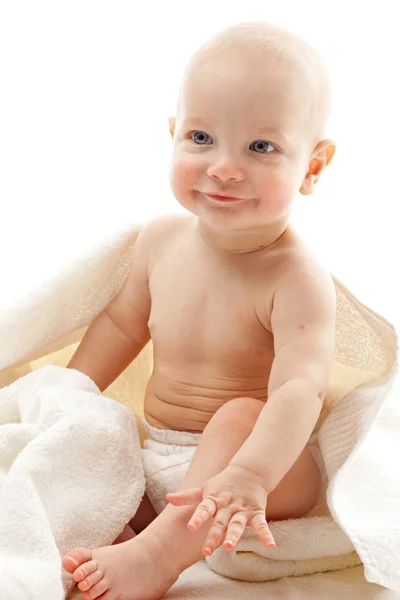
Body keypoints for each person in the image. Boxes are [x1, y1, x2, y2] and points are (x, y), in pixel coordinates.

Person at [62, 20, 337, 600]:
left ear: (312, 167)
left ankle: (161, 553)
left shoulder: (297, 278)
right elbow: (119, 325)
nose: (225, 167)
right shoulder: (159, 242)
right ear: (174, 134)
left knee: (241, 413)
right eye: (201, 138)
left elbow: (299, 390)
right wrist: (70, 398)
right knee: (89, 441)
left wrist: (251, 474)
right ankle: (132, 529)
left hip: (267, 466)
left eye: (261, 147)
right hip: (160, 458)